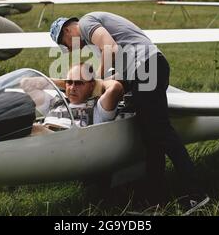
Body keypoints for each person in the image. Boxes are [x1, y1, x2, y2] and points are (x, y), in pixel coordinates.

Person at [50, 12, 209, 214]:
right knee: (151, 139)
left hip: (148, 68)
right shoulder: (92, 33)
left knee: (162, 133)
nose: (71, 49)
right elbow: (120, 65)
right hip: (145, 70)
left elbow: (111, 49)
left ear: (66, 31)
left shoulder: (86, 23)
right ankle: (155, 202)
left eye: (66, 44)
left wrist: (95, 84)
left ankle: (196, 195)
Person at [20, 63, 124, 135]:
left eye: (79, 83)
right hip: (42, 142)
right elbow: (25, 84)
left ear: (92, 86)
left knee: (35, 129)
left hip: (68, 144)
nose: (72, 88)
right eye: (69, 82)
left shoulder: (98, 109)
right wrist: (59, 83)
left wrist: (96, 84)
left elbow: (115, 88)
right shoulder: (55, 102)